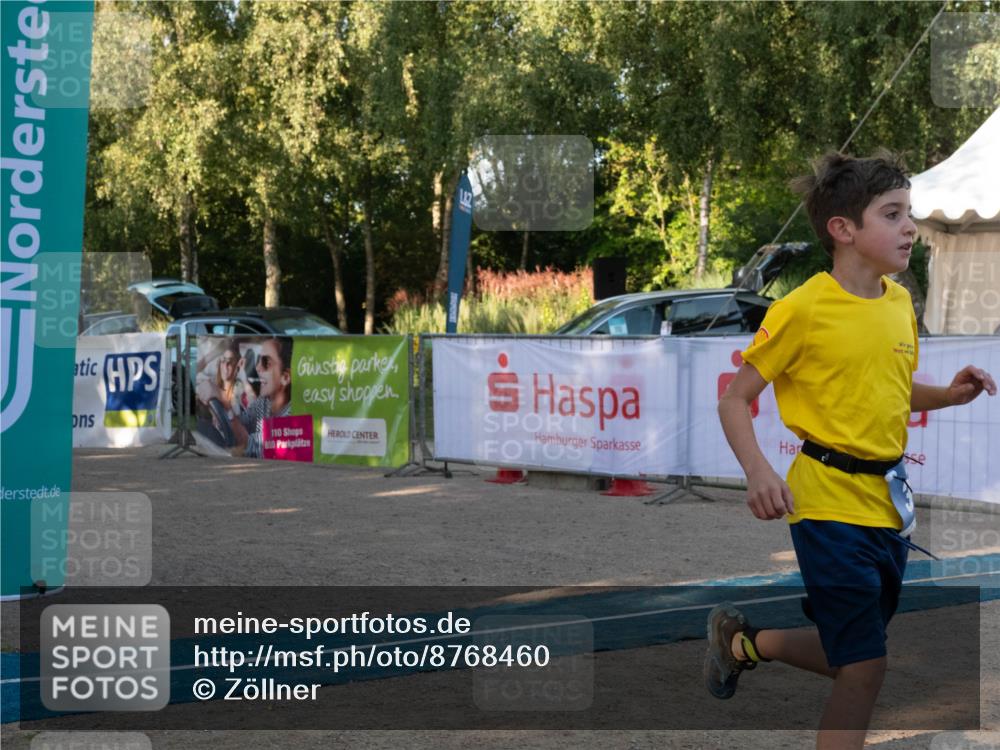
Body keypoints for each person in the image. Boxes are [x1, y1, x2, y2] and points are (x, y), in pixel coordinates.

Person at [709, 151, 996, 750]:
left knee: (852, 652)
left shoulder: (898, 303)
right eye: (892, 214)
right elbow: (736, 399)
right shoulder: (802, 309)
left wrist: (949, 394)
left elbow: (888, 389)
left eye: (909, 213)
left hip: (888, 508)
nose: (910, 227)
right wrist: (758, 470)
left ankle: (742, 643)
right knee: (866, 667)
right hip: (825, 505)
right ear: (843, 230)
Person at [198, 336, 293, 458]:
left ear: (285, 378)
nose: (258, 368)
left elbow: (251, 445)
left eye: (266, 363)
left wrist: (225, 404)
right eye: (258, 360)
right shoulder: (265, 402)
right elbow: (242, 422)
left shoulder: (292, 415)